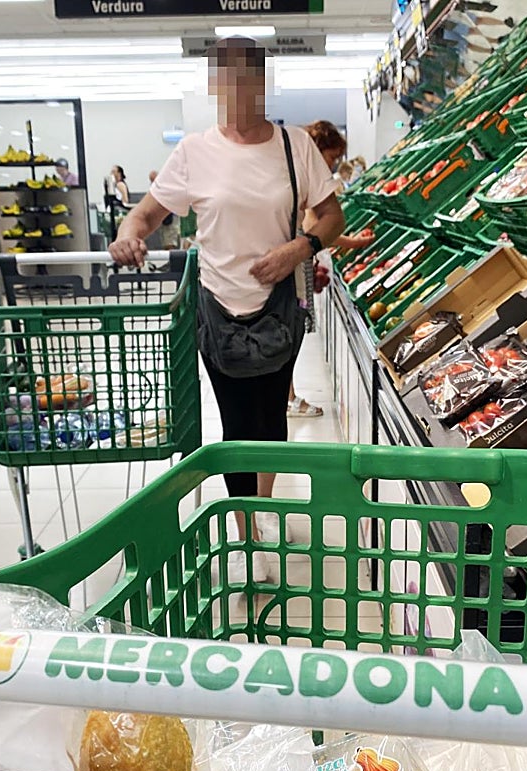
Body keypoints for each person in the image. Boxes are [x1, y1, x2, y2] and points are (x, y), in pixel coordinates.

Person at [109, 37, 345, 576]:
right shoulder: (193, 152)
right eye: (226, 82)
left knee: (271, 419)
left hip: (280, 306)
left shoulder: (294, 146)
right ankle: (246, 533)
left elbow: (331, 218)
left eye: (248, 80)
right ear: (214, 87)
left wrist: (296, 250)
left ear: (264, 84)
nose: (237, 93)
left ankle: (260, 508)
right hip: (217, 308)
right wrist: (129, 233)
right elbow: (144, 216)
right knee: (238, 424)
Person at [285, 120, 376, 419]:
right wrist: (354, 244)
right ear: (320, 149)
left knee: (292, 330)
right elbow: (316, 228)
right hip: (296, 262)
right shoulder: (306, 176)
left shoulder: (299, 173)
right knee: (290, 330)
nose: (334, 164)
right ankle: (288, 398)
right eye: (332, 156)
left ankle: (288, 396)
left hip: (299, 260)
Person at [148, 169, 180, 250]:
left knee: (170, 241)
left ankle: (173, 260)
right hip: (163, 219)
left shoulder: (165, 187)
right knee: (166, 241)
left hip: (170, 217)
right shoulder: (156, 188)